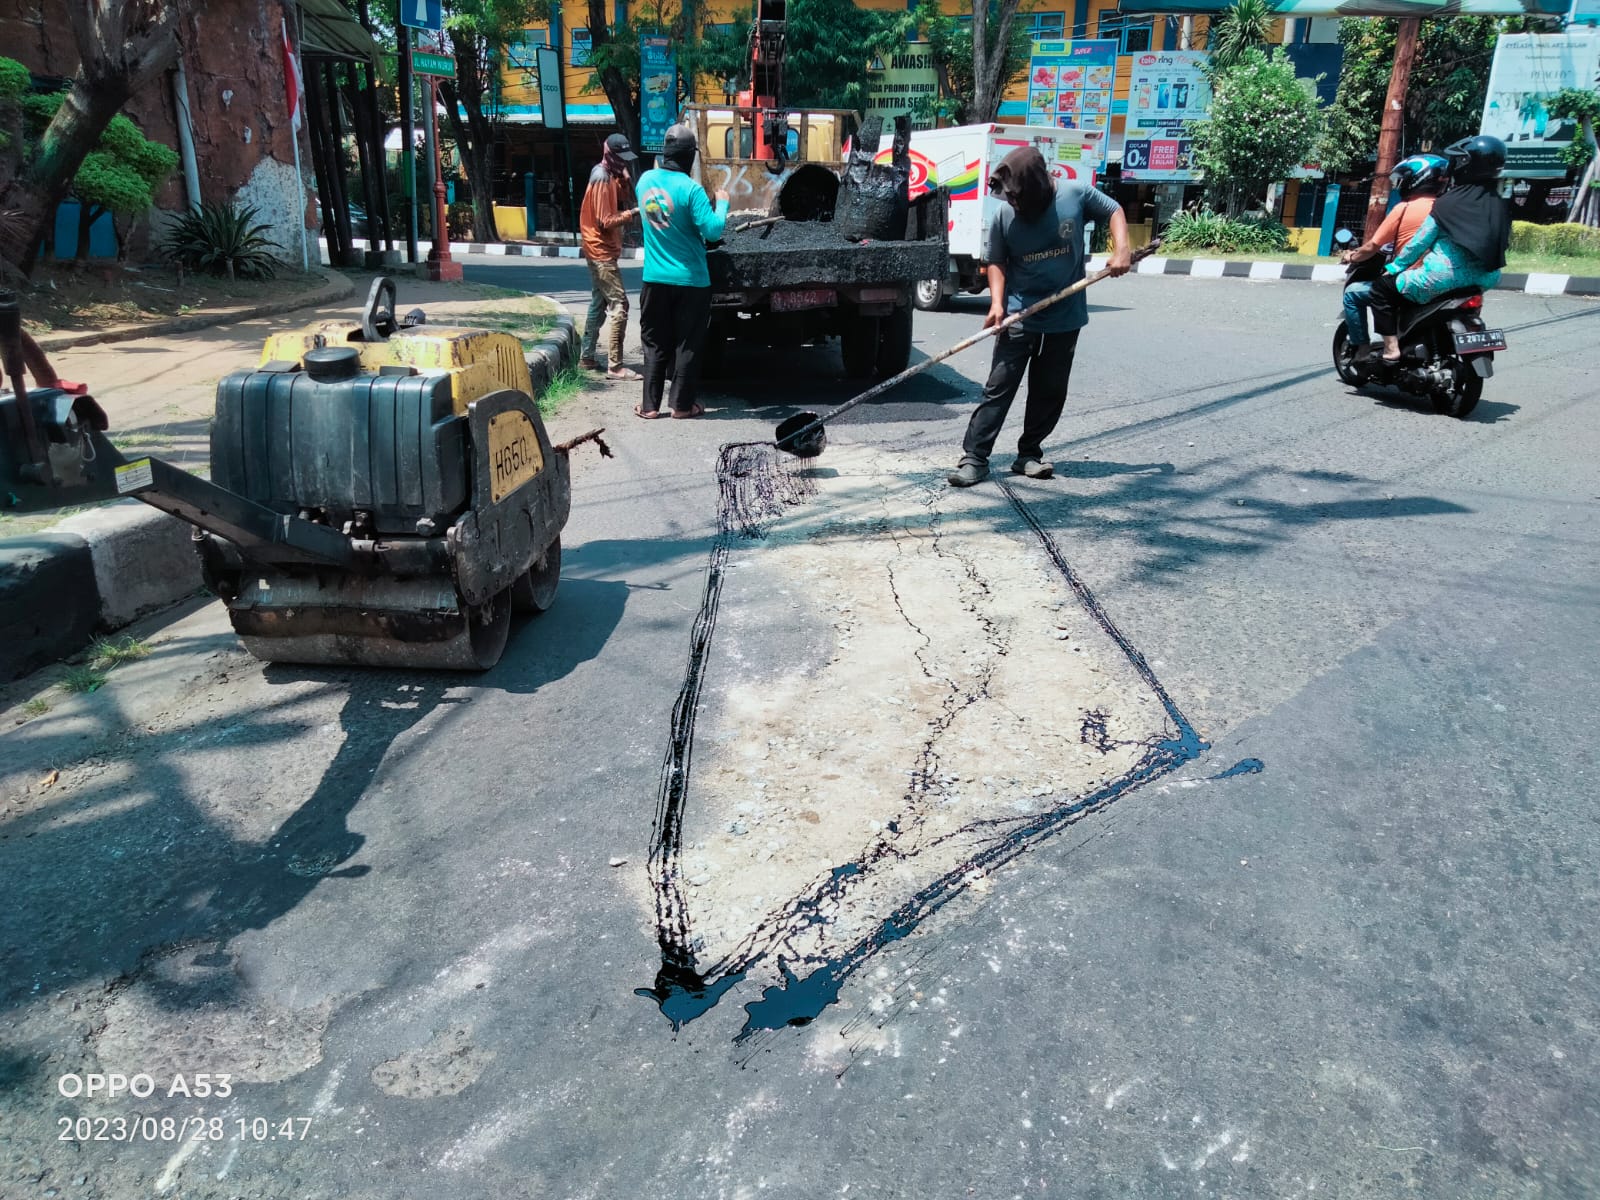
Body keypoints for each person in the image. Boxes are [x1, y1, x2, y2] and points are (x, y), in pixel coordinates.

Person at [947, 146, 1131, 487]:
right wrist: (997, 304)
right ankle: (974, 458)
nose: (1013, 204)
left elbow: (1114, 210)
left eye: (1018, 198)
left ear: (1039, 186)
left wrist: (1122, 249)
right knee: (998, 388)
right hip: (1018, 315)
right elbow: (997, 262)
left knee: (1050, 388)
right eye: (1009, 198)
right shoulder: (1003, 216)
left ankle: (1029, 454)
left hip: (1066, 314)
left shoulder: (1074, 194)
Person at [1367, 135, 1510, 365]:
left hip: (1442, 277)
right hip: (1486, 278)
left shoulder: (1448, 203)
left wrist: (1394, 267)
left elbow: (1419, 243)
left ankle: (1391, 349)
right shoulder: (1500, 203)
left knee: (1381, 290)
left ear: (1464, 165)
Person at [632, 124, 729, 420]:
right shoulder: (691, 190)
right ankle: (682, 406)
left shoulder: (644, 181)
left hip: (654, 279)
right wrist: (723, 203)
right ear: (690, 157)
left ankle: (649, 407)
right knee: (687, 343)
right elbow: (712, 231)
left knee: (654, 342)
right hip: (691, 282)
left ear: (665, 152)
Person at [1340, 153, 1447, 353]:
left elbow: (1372, 246)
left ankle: (1366, 348)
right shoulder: (1451, 207)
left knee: (1353, 293)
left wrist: (1351, 256)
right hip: (1451, 281)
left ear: (1416, 178)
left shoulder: (1404, 209)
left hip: (1415, 281)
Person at [578, 133, 641, 381]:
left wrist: (625, 181)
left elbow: (621, 198)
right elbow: (606, 221)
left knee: (599, 302)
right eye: (621, 159)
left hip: (598, 249)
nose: (624, 164)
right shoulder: (602, 178)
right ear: (609, 155)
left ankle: (587, 357)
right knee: (619, 304)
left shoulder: (610, 176)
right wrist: (633, 213)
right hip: (601, 250)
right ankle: (615, 366)